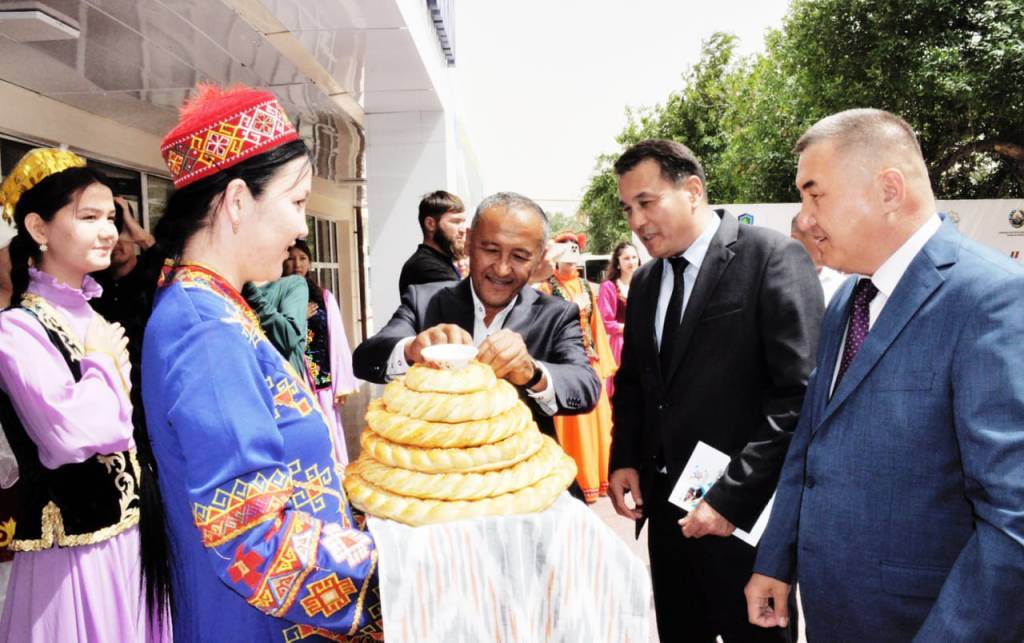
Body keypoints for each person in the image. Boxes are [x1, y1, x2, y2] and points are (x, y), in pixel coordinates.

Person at [746, 109, 1024, 641]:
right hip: (833, 612)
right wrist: (776, 558)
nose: (804, 218)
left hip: (924, 622)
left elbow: (1013, 518)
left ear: (889, 190)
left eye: (815, 195)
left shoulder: (993, 299)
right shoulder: (849, 298)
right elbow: (811, 443)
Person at [140, 84, 382, 641]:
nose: (303, 228)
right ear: (237, 201)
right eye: (296, 203)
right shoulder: (204, 330)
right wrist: (394, 571)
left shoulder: (217, 309)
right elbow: (251, 541)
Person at [608, 139, 823, 642]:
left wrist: (730, 498)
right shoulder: (645, 282)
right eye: (627, 209)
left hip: (745, 520)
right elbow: (636, 383)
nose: (637, 222)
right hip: (666, 517)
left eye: (646, 202)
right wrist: (625, 457)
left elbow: (799, 395)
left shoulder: (771, 257)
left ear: (692, 191)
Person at [0, 148, 170, 641]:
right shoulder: (16, 330)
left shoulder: (94, 316)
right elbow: (69, 436)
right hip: (74, 558)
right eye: (89, 217)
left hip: (132, 537)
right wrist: (100, 364)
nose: (108, 231)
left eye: (110, 217)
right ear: (39, 228)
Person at [353, 192, 601, 443]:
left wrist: (532, 372)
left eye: (519, 256)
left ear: (538, 259)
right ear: (469, 242)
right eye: (490, 250)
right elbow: (365, 359)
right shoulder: (425, 300)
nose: (501, 269)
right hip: (433, 461)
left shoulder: (556, 314)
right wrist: (411, 349)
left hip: (520, 463)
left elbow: (585, 387)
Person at [536, 231, 616, 503]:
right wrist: (571, 307)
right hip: (563, 366)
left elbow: (596, 326)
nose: (571, 255)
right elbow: (544, 323)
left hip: (588, 363)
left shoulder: (587, 287)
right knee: (572, 427)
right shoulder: (545, 288)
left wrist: (601, 365)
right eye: (565, 250)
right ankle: (577, 482)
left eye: (575, 249)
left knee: (597, 424)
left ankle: (599, 479)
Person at [283, 239, 358, 464]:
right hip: (293, 380)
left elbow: (337, 339)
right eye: (291, 258)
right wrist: (298, 318)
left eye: (303, 258)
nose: (297, 264)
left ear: (310, 263)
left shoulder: (323, 298)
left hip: (321, 381)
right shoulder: (277, 297)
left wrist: (341, 384)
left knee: (328, 433)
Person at [397, 190, 467, 293]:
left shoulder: (442, 261)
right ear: (430, 224)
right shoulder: (426, 267)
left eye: (463, 222)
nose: (463, 229)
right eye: (455, 222)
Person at [597, 240, 639, 398]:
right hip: (621, 343)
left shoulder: (644, 283)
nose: (631, 262)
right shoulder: (609, 286)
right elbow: (606, 323)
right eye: (626, 258)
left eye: (634, 257)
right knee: (622, 391)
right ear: (618, 262)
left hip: (644, 341)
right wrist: (630, 328)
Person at [789, 212, 845, 305]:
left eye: (830, 238)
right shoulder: (773, 279)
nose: (828, 245)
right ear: (795, 240)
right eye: (820, 238)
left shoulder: (842, 284)